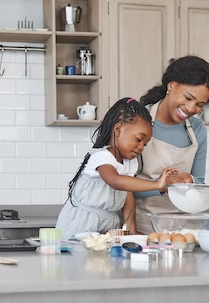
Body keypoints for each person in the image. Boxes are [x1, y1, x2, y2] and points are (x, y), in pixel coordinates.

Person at [56, 97, 178, 239]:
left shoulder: (130, 163)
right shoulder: (101, 157)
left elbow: (128, 195)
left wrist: (132, 230)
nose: (141, 147)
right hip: (81, 223)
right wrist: (156, 184)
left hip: (109, 224)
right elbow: (115, 180)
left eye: (145, 144)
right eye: (139, 139)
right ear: (118, 129)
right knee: (79, 259)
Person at [132, 55, 209, 234]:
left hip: (182, 226)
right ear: (171, 86)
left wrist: (190, 182)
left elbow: (199, 181)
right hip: (142, 225)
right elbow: (122, 185)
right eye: (188, 98)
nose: (191, 108)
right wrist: (160, 186)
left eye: (199, 104)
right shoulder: (137, 121)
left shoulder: (197, 130)